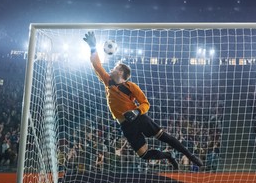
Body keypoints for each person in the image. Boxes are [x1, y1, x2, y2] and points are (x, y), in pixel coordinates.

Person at [83, 31, 203, 170]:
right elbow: (97, 65)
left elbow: (146, 103)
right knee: (144, 155)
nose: (112, 69)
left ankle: (191, 157)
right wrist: (93, 47)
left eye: (116, 68)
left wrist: (136, 111)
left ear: (121, 72)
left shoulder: (131, 86)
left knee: (164, 137)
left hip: (138, 118)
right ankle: (168, 156)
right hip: (125, 125)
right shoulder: (108, 81)